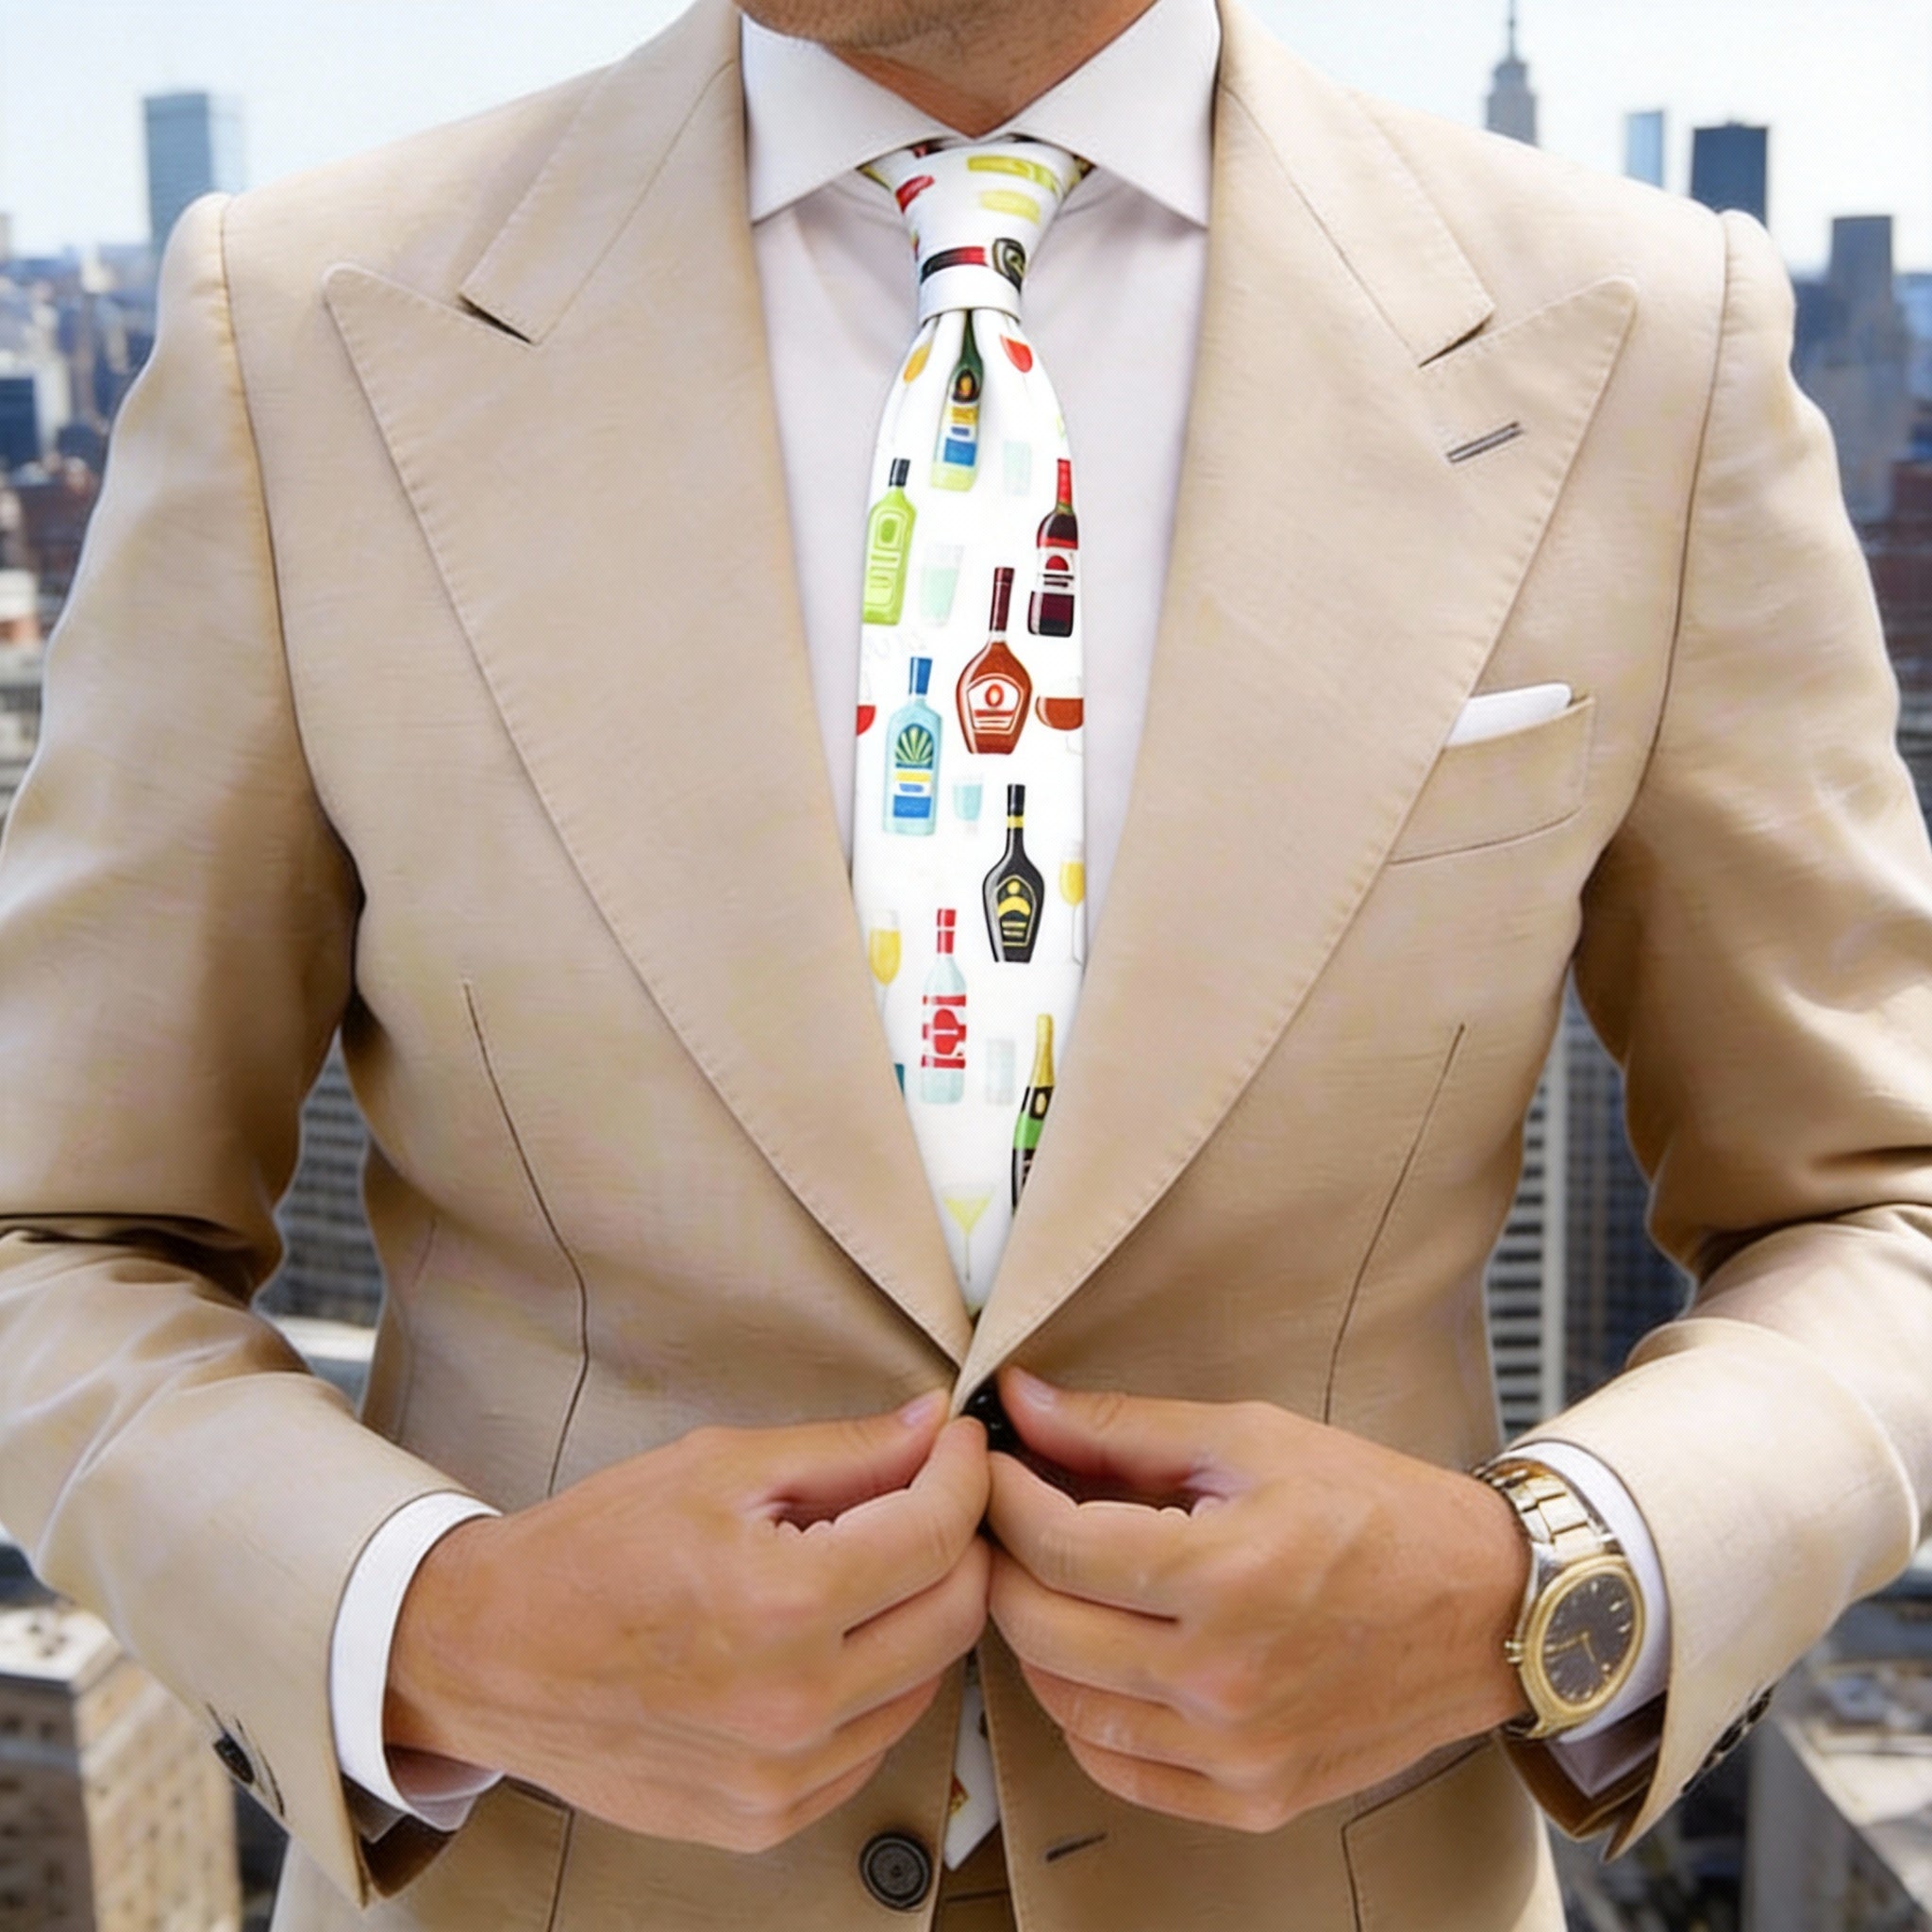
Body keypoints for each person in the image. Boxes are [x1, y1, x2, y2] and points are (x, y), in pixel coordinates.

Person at [2, 0, 1929, 1925]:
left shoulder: (1644, 338)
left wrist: (1534, 1592)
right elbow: (52, 1234)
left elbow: (1880, 1208)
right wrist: (440, 1628)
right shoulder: (303, 326)